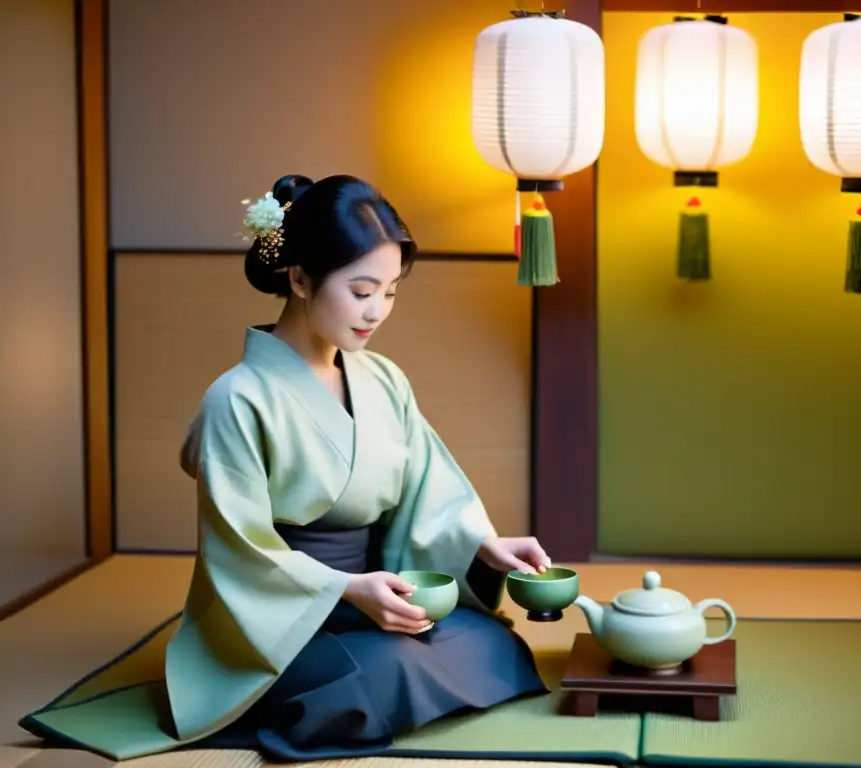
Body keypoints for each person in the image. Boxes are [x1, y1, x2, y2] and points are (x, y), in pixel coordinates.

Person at [22, 174, 552, 762]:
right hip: (279, 619)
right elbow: (238, 547)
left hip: (378, 592)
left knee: (493, 645)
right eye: (361, 290)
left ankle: (371, 670)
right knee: (363, 683)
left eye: (391, 292)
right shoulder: (237, 398)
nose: (377, 311)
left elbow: (430, 491)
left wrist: (483, 546)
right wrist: (346, 588)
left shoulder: (384, 380)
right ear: (299, 278)